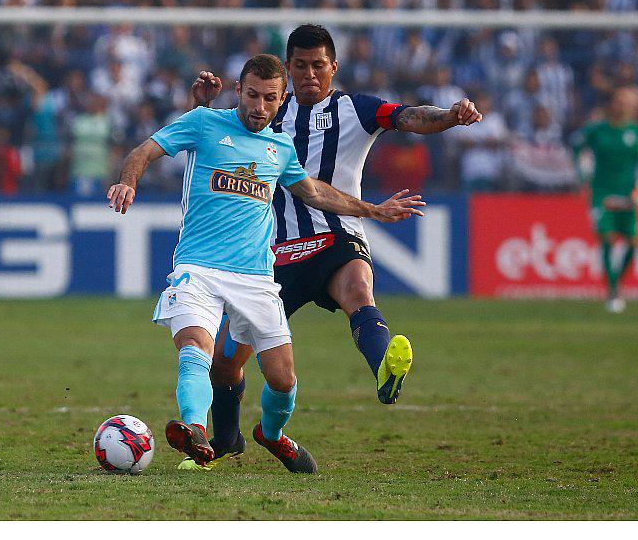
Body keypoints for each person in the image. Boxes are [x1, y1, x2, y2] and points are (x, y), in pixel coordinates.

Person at [107, 53, 425, 474]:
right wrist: (127, 182)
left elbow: (314, 192)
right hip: (197, 267)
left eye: (269, 99)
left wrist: (372, 210)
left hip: (257, 278)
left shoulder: (279, 148)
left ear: (282, 100)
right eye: (252, 95)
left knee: (282, 379)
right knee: (194, 346)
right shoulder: (205, 123)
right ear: (239, 90)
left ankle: (271, 436)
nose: (259, 107)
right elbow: (145, 150)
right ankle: (195, 431)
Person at [187, 25, 481, 469]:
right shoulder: (264, 113)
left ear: (333, 68)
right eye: (300, 66)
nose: (309, 74)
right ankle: (232, 440)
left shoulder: (356, 109)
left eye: (318, 65)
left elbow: (409, 116)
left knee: (359, 293)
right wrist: (202, 103)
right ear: (286, 70)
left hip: (336, 236)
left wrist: (450, 116)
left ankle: (385, 370)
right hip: (271, 256)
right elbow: (210, 137)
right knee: (226, 364)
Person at [569, 86, 638, 313]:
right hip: (602, 193)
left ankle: (617, 282)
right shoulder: (597, 129)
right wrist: (582, 172)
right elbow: (576, 145)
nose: (624, 105)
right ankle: (613, 291)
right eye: (621, 100)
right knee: (606, 238)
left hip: (627, 192)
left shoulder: (635, 131)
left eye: (628, 101)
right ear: (612, 104)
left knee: (633, 242)